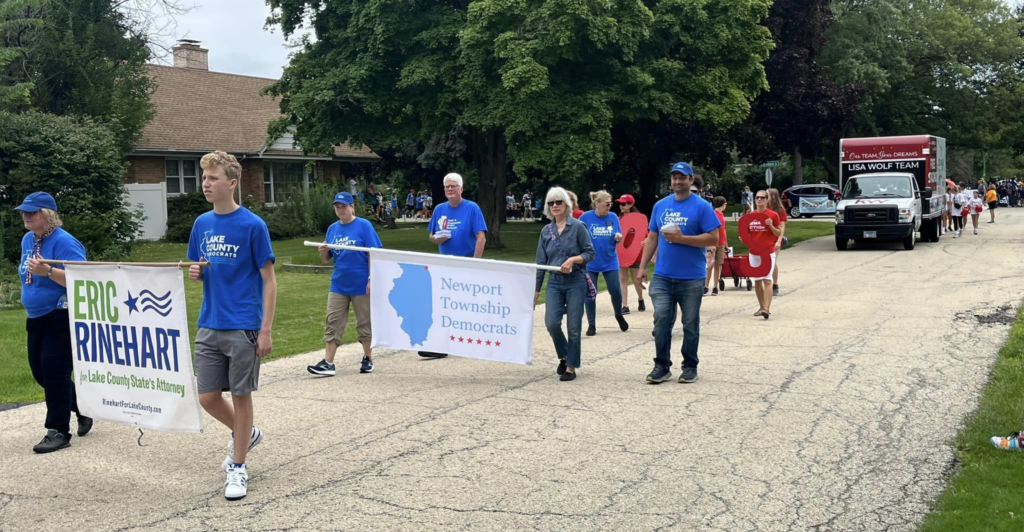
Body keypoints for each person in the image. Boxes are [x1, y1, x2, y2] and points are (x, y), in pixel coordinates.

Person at [187, 151, 277, 501]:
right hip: (209, 322)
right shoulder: (201, 224)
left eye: (212, 178)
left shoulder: (253, 225)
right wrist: (197, 271)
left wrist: (265, 329)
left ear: (232, 183)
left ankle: (238, 467)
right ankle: (246, 434)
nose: (206, 183)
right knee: (208, 397)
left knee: (241, 396)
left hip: (243, 324)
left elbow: (269, 280)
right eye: (204, 177)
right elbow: (200, 265)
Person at [16, 192, 92, 453]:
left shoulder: (64, 242)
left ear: (47, 215)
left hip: (60, 315)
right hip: (36, 317)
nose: (26, 216)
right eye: (24, 212)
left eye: (32, 212)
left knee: (54, 373)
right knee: (41, 374)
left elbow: (83, 281)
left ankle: (58, 430)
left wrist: (48, 271)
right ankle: (83, 406)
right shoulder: (29, 239)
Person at [637, 162, 720, 384]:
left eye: (682, 177)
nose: (677, 181)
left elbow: (714, 238)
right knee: (661, 319)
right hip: (663, 275)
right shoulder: (660, 206)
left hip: (691, 277)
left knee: (690, 323)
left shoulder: (702, 207)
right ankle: (661, 366)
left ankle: (690, 366)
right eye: (674, 177)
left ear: (691, 180)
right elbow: (652, 237)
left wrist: (683, 239)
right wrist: (643, 266)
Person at [308, 192, 382, 377]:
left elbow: (374, 253)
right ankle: (328, 362)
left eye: (344, 206)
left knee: (364, 322)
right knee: (333, 320)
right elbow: (327, 259)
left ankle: (368, 358)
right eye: (337, 207)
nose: (341, 210)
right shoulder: (333, 229)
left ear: (352, 207)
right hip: (339, 283)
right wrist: (323, 252)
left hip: (361, 283)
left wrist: (372, 279)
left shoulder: (364, 226)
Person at [422, 173, 487, 358]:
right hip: (444, 264)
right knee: (442, 305)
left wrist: (476, 262)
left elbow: (481, 236)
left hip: (465, 263)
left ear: (461, 188)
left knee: (467, 305)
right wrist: (436, 239)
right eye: (447, 187)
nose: (450, 189)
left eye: (453, 186)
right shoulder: (440, 209)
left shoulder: (472, 208)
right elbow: (431, 234)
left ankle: (473, 341)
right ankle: (441, 345)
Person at [535, 187, 595, 381]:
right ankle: (564, 354)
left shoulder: (578, 226)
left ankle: (571, 366)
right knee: (551, 323)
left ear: (566, 205)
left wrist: (573, 260)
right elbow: (540, 263)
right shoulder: (546, 231)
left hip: (575, 281)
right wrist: (536, 290)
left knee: (574, 326)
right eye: (551, 203)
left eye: (558, 202)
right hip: (554, 282)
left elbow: (589, 253)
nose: (554, 206)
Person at [580, 190, 628, 336]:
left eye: (610, 204)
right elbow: (578, 234)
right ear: (597, 203)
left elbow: (618, 235)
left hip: (610, 260)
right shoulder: (586, 217)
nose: (609, 206)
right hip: (591, 261)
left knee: (615, 290)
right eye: (607, 204)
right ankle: (592, 324)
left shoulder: (613, 217)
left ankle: (619, 314)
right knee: (590, 293)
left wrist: (618, 238)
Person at [750, 190, 782, 319]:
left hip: (768, 251)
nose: (759, 200)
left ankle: (767, 309)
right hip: (754, 252)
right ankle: (762, 306)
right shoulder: (751, 215)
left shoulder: (773, 215)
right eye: (757, 197)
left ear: (767, 200)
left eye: (762, 198)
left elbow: (778, 233)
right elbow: (746, 231)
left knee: (767, 280)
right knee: (757, 281)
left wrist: (771, 226)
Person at [616, 194, 647, 314]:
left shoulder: (639, 219)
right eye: (620, 204)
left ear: (631, 204)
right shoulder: (618, 220)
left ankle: (640, 298)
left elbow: (645, 233)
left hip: (635, 253)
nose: (621, 206)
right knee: (622, 278)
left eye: (624, 204)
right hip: (621, 253)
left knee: (635, 279)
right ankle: (625, 305)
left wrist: (644, 241)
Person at [705, 196, 728, 296]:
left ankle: (715, 286)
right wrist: (711, 244)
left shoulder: (721, 214)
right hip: (713, 243)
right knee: (709, 265)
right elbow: (709, 230)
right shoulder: (713, 214)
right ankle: (706, 286)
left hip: (721, 243)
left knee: (717, 265)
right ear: (723, 204)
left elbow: (723, 230)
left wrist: (726, 243)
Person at [767, 188, 787, 297]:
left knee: (772, 262)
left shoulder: (779, 210)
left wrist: (779, 240)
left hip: (775, 239)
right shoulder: (764, 208)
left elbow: (782, 226)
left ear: (773, 196)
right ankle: (766, 283)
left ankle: (775, 284)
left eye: (767, 195)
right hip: (765, 239)